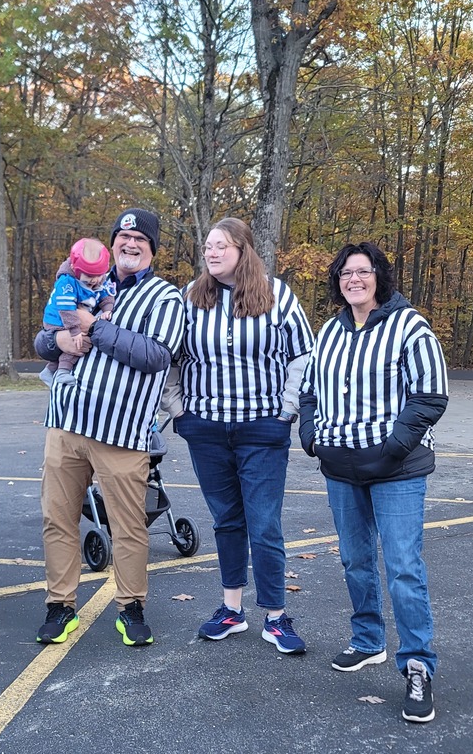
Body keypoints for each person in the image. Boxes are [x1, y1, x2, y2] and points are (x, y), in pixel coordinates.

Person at [297, 241, 448, 722]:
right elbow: (308, 392)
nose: (353, 279)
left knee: (403, 566)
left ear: (379, 276)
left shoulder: (410, 327)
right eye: (344, 273)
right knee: (355, 560)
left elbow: (430, 394)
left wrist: (394, 445)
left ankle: (418, 665)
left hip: (396, 470)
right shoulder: (330, 331)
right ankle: (367, 641)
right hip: (340, 467)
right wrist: (311, 436)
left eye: (361, 272)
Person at [32, 208, 185, 647]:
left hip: (121, 433)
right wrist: (58, 340)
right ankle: (59, 607)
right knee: (57, 520)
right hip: (66, 424)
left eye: (140, 239)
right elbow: (44, 337)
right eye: (123, 237)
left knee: (128, 527)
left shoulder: (164, 298)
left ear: (152, 248)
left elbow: (155, 356)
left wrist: (95, 326)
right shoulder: (83, 280)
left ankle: (130, 608)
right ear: (112, 243)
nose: (130, 244)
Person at [163, 217, 313, 654]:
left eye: (221, 246)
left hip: (261, 430)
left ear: (243, 251)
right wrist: (178, 411)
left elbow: (303, 355)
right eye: (207, 246)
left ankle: (275, 615)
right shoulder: (190, 298)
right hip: (206, 430)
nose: (211, 253)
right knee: (226, 520)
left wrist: (285, 411)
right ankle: (232, 610)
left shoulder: (277, 295)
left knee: (264, 524)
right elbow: (171, 358)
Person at [40, 237, 115, 387]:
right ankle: (62, 372)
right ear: (75, 269)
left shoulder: (100, 279)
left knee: (82, 339)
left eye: (98, 275)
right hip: (58, 318)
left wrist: (107, 309)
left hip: (74, 317)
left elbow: (105, 294)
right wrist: (74, 331)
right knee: (78, 341)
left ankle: (49, 371)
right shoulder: (67, 282)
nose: (94, 280)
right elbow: (66, 308)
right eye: (89, 277)